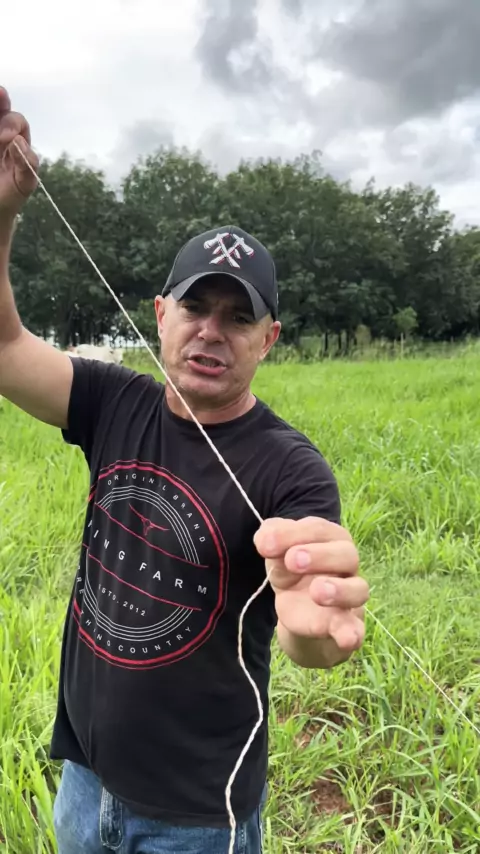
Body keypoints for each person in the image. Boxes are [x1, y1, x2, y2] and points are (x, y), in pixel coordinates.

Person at [0, 85, 369, 854]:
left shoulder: (290, 467)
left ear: (268, 340)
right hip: (83, 778)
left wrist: (317, 630)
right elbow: (5, 349)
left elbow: (310, 630)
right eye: (197, 308)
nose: (212, 332)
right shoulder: (110, 401)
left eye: (239, 317)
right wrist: (2, 213)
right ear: (161, 314)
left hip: (198, 816)